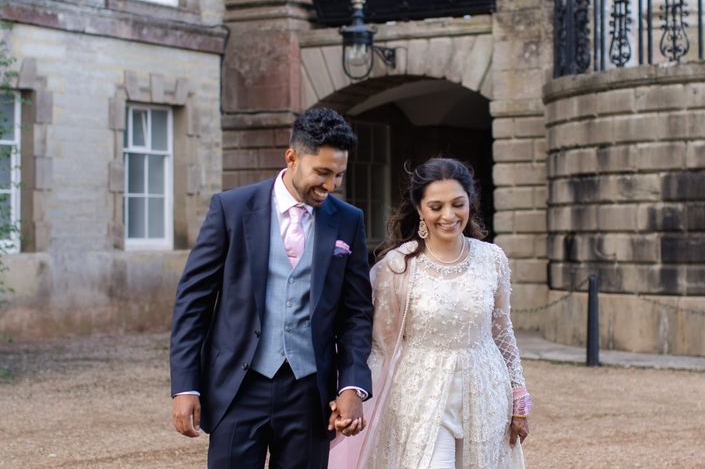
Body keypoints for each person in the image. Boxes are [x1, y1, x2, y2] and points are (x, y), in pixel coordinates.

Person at [169, 107, 374, 469]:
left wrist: (352, 385)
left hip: (309, 392)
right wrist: (186, 386)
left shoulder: (348, 220)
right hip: (238, 386)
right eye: (322, 173)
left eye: (339, 175)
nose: (330, 186)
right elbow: (193, 302)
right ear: (292, 158)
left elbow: (356, 312)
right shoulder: (231, 208)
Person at [330, 157, 531, 469]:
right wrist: (355, 397)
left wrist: (519, 399)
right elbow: (380, 346)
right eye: (436, 206)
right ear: (420, 209)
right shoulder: (396, 267)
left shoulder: (493, 259)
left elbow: (502, 332)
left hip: (486, 392)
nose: (448, 216)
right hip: (421, 397)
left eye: (457, 204)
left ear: (470, 203)